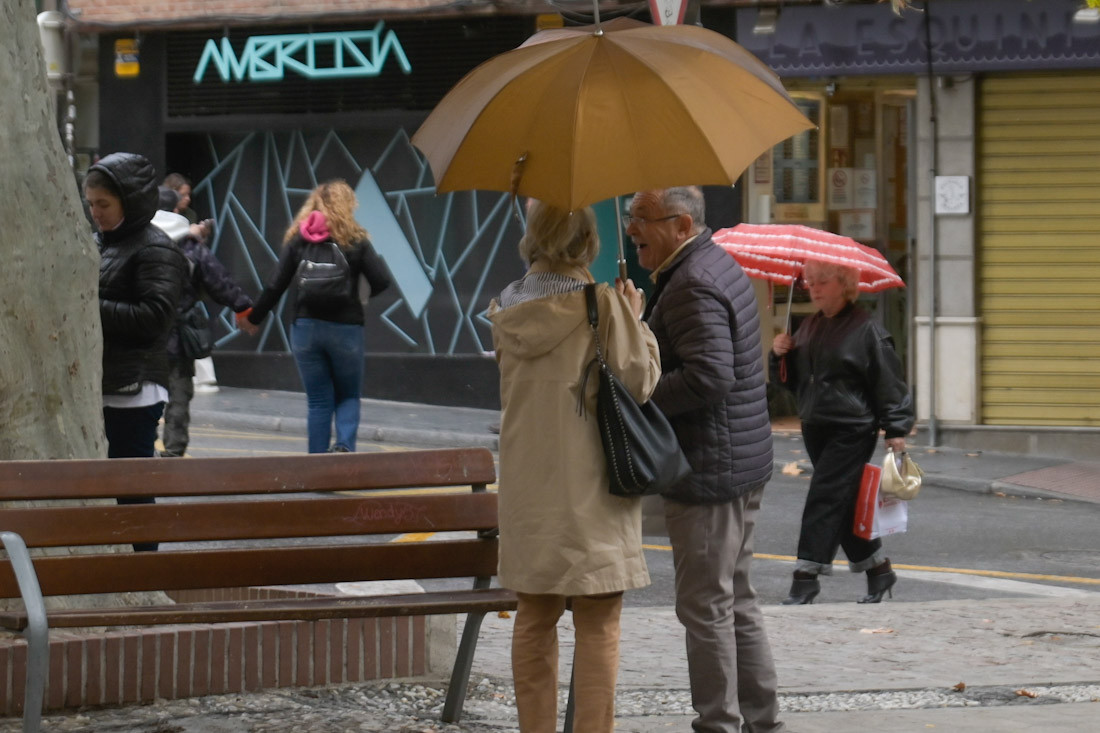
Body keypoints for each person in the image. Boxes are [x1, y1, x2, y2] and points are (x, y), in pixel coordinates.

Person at [488, 201, 660, 733]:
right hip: (592, 486)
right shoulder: (602, 303)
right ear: (586, 241)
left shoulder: (506, 307)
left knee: (534, 618)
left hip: (527, 486)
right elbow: (639, 381)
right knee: (599, 621)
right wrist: (636, 320)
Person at [626, 186, 784, 733]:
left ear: (681, 223)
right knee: (735, 599)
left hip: (710, 469)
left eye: (642, 218)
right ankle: (762, 721)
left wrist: (642, 394)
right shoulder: (711, 264)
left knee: (705, 607)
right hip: (738, 462)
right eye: (631, 217)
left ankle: (719, 723)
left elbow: (710, 376)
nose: (631, 230)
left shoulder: (691, 283)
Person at [770, 259, 915, 605]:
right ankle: (878, 570)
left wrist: (896, 429)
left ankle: (806, 575)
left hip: (852, 427)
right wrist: (779, 356)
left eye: (822, 282)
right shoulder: (809, 326)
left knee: (824, 496)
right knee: (843, 499)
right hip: (816, 424)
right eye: (811, 283)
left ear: (845, 285)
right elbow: (789, 384)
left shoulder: (867, 330)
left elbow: (889, 383)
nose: (814, 289)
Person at [86, 152, 188, 551]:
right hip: (105, 384)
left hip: (134, 389)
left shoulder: (156, 248)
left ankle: (143, 570)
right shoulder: (99, 241)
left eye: (104, 204)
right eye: (91, 204)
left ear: (129, 200)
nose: (95, 213)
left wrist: (87, 304)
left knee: (131, 489)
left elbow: (155, 317)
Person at [243, 180, 391, 453]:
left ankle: (317, 466)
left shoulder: (298, 239)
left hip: (306, 328)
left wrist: (254, 318)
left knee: (319, 401)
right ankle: (344, 447)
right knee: (347, 395)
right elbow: (382, 280)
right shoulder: (355, 239)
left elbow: (275, 284)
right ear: (348, 206)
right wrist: (358, 297)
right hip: (346, 327)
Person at [152, 192, 254, 458]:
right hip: (177, 336)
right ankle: (173, 452)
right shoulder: (191, 247)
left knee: (142, 397)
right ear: (177, 209)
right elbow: (219, 282)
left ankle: (139, 450)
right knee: (178, 396)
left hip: (141, 335)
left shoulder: (137, 240)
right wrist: (245, 308)